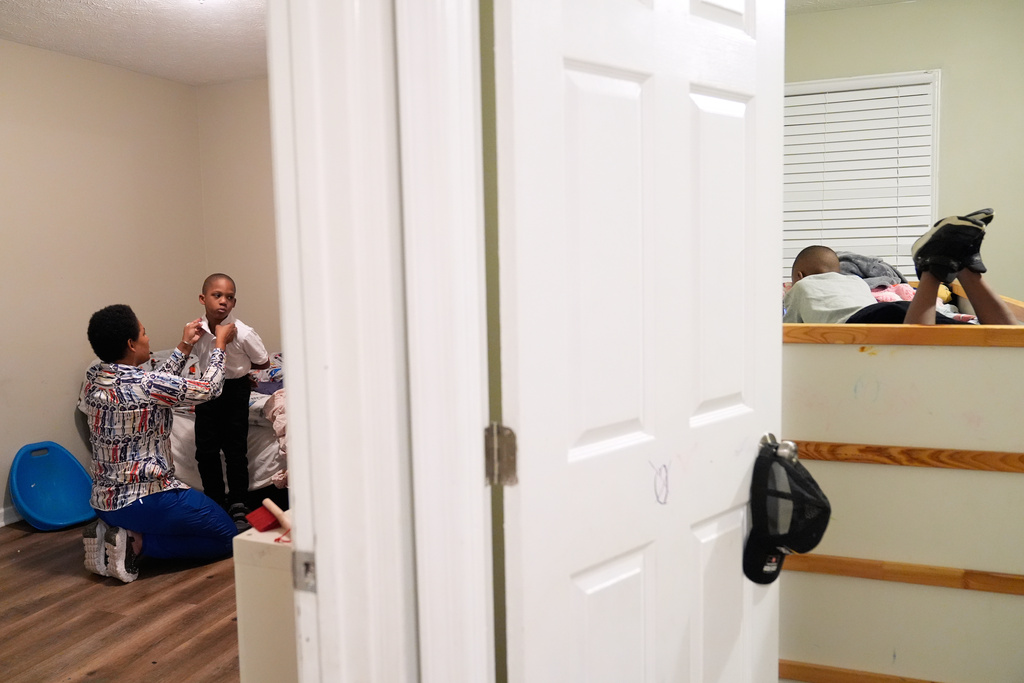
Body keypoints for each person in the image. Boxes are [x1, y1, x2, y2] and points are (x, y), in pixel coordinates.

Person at [79, 304, 239, 583]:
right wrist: (220, 346)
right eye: (144, 333)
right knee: (228, 536)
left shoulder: (94, 379)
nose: (148, 338)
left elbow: (155, 383)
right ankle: (136, 543)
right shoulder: (147, 384)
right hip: (146, 499)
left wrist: (185, 344)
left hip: (103, 501)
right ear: (131, 344)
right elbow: (209, 389)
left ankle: (114, 533)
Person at [784, 209, 1018, 326]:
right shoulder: (855, 281)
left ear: (800, 275)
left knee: (918, 341)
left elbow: (788, 332)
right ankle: (963, 261)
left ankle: (931, 268)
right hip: (893, 310)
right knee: (985, 331)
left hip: (859, 324)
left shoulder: (800, 288)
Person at [190, 273, 270, 531]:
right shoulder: (197, 330)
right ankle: (214, 500)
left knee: (235, 448)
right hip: (206, 389)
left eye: (229, 297)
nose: (223, 301)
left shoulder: (243, 332)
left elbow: (264, 361)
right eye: (217, 295)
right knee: (206, 449)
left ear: (234, 303)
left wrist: (243, 368)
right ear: (203, 299)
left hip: (235, 389)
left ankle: (239, 503)